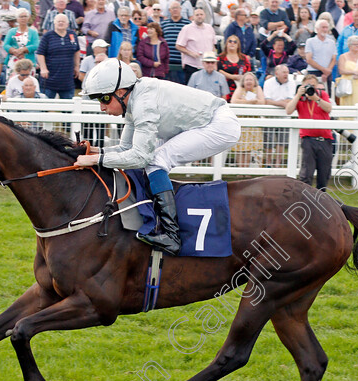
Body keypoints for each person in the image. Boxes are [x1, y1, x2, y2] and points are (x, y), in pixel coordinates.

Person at [76, 58, 241, 256]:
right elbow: (126, 148)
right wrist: (98, 152)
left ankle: (172, 236)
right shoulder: (133, 98)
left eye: (104, 99)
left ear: (120, 93)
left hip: (219, 125)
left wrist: (95, 160)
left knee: (155, 161)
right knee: (154, 160)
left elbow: (140, 157)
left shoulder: (144, 104)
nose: (102, 107)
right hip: (206, 121)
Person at [285, 74, 333, 191]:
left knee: (324, 174)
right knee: (306, 173)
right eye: (308, 85)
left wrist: (316, 98)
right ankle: (304, 198)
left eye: (313, 85)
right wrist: (298, 95)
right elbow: (288, 110)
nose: (310, 88)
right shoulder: (301, 99)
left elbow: (328, 108)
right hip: (308, 139)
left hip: (325, 138)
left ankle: (321, 199)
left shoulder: (322, 95)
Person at [36, 13, 79, 99]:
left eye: (63, 21)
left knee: (68, 109)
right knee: (45, 106)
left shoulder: (72, 35)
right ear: (54, 23)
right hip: (50, 79)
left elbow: (76, 51)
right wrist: (43, 68)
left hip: (67, 80)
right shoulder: (47, 36)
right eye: (58, 21)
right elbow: (40, 53)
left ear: (67, 24)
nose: (60, 23)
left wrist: (77, 66)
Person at [229, 71, 265, 167]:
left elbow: (262, 102)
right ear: (243, 81)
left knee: (249, 147)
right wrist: (249, 102)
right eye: (247, 80)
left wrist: (250, 102)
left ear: (254, 81)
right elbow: (233, 101)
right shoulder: (240, 89)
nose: (249, 82)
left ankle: (247, 168)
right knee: (240, 147)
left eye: (251, 79)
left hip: (253, 122)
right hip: (241, 122)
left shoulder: (258, 89)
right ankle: (240, 167)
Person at [175, 7, 215, 84]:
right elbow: (178, 46)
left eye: (201, 14)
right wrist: (191, 53)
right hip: (192, 65)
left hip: (207, 66)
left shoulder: (209, 28)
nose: (199, 16)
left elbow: (213, 45)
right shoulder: (187, 28)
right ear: (193, 16)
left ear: (205, 15)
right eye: (197, 15)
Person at [160, 1, 189, 84]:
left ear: (180, 9)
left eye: (177, 8)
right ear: (169, 10)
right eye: (173, 8)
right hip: (167, 62)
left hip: (182, 62)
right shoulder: (163, 24)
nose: (175, 10)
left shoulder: (187, 24)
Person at [3, 9, 38, 73]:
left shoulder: (33, 32)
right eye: (21, 16)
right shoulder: (11, 31)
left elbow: (36, 45)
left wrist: (24, 49)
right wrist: (14, 51)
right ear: (17, 18)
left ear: (28, 18)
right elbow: (5, 45)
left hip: (29, 62)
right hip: (13, 61)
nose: (23, 18)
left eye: (25, 16)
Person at [216, 33, 249, 101]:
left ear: (238, 45)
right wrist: (232, 77)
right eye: (230, 41)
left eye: (235, 42)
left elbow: (248, 72)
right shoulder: (220, 57)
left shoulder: (244, 58)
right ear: (226, 44)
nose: (232, 43)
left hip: (240, 87)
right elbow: (218, 71)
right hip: (224, 88)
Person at [305, 18, 336, 89]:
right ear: (317, 29)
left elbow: (333, 59)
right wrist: (324, 70)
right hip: (313, 72)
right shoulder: (310, 41)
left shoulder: (331, 42)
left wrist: (327, 71)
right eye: (323, 27)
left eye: (326, 27)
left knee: (327, 95)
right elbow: (309, 59)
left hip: (327, 73)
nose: (325, 29)